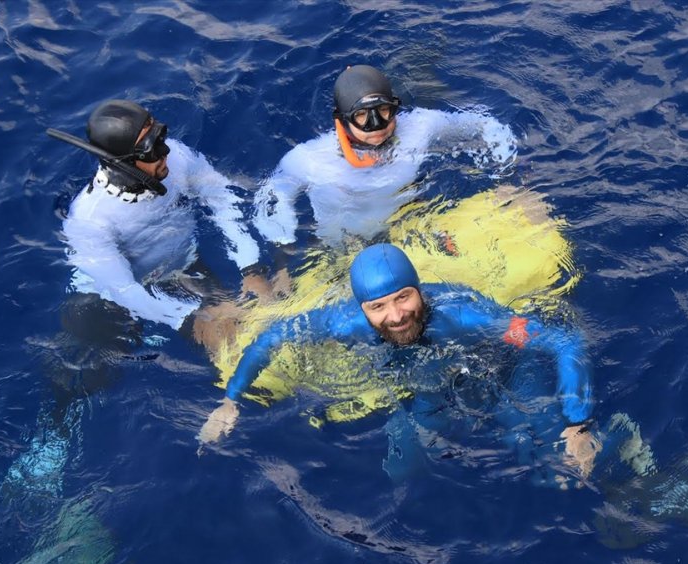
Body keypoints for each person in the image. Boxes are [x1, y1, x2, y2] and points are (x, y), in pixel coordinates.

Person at [199, 244, 608, 482]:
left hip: (498, 370)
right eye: (378, 306)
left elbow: (562, 339)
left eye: (403, 297)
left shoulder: (465, 315)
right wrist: (230, 401)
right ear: (362, 308)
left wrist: (578, 423)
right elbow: (271, 338)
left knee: (552, 463)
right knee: (401, 471)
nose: (395, 316)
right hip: (430, 388)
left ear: (419, 291)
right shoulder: (342, 323)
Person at [48, 99, 265, 334]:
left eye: (159, 136)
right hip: (107, 300)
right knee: (224, 333)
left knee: (257, 316)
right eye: (151, 148)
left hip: (182, 265)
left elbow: (221, 199)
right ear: (123, 163)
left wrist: (251, 268)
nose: (165, 150)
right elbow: (125, 291)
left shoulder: (178, 158)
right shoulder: (90, 221)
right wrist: (193, 318)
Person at [253, 65, 517, 248]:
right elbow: (272, 200)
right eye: (361, 115)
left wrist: (508, 179)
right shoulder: (309, 159)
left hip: (411, 224)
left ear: (394, 107)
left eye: (383, 110)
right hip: (342, 244)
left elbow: (488, 127)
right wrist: (283, 248)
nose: (376, 125)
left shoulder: (421, 127)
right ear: (342, 120)